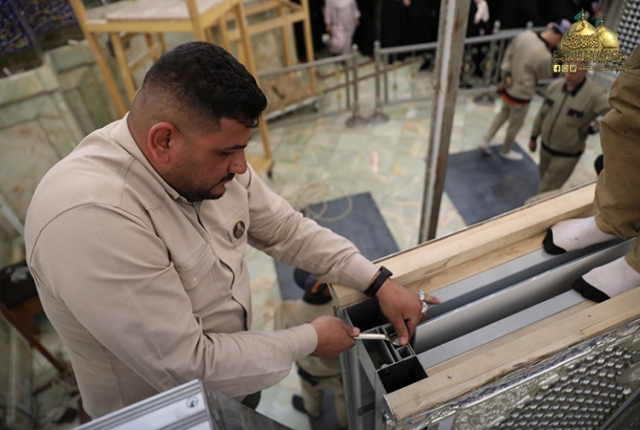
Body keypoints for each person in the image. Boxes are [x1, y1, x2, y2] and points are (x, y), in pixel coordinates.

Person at [24, 42, 438, 419]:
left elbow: (286, 230)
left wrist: (377, 281)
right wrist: (309, 339)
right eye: (227, 152)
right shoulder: (91, 219)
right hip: (167, 415)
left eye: (242, 149)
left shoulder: (204, 162)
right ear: (163, 141)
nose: (241, 167)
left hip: (237, 377)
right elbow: (190, 369)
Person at [543, 44, 640, 303]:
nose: (568, 73)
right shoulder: (556, 88)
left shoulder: (591, 94)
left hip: (566, 152)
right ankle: (614, 219)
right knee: (631, 109)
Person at [479, 20, 570, 161]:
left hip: (508, 85)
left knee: (502, 114)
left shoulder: (525, 35)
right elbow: (543, 76)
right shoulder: (544, 55)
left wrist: (506, 73)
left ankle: (485, 140)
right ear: (559, 37)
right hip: (522, 93)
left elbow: (508, 53)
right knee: (515, 125)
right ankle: (506, 150)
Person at [274, 269, 347, 428]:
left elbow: (280, 342)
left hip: (310, 371)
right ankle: (345, 423)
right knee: (344, 398)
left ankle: (313, 411)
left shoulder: (286, 311)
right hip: (340, 370)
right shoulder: (342, 308)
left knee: (311, 394)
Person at [529, 66, 610, 194]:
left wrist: (592, 129)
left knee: (545, 192)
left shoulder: (595, 95)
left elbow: (614, 115)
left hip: (566, 155)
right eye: (566, 70)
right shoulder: (555, 86)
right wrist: (533, 136)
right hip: (545, 148)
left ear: (584, 70)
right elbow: (542, 113)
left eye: (573, 72)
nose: (567, 75)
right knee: (543, 177)